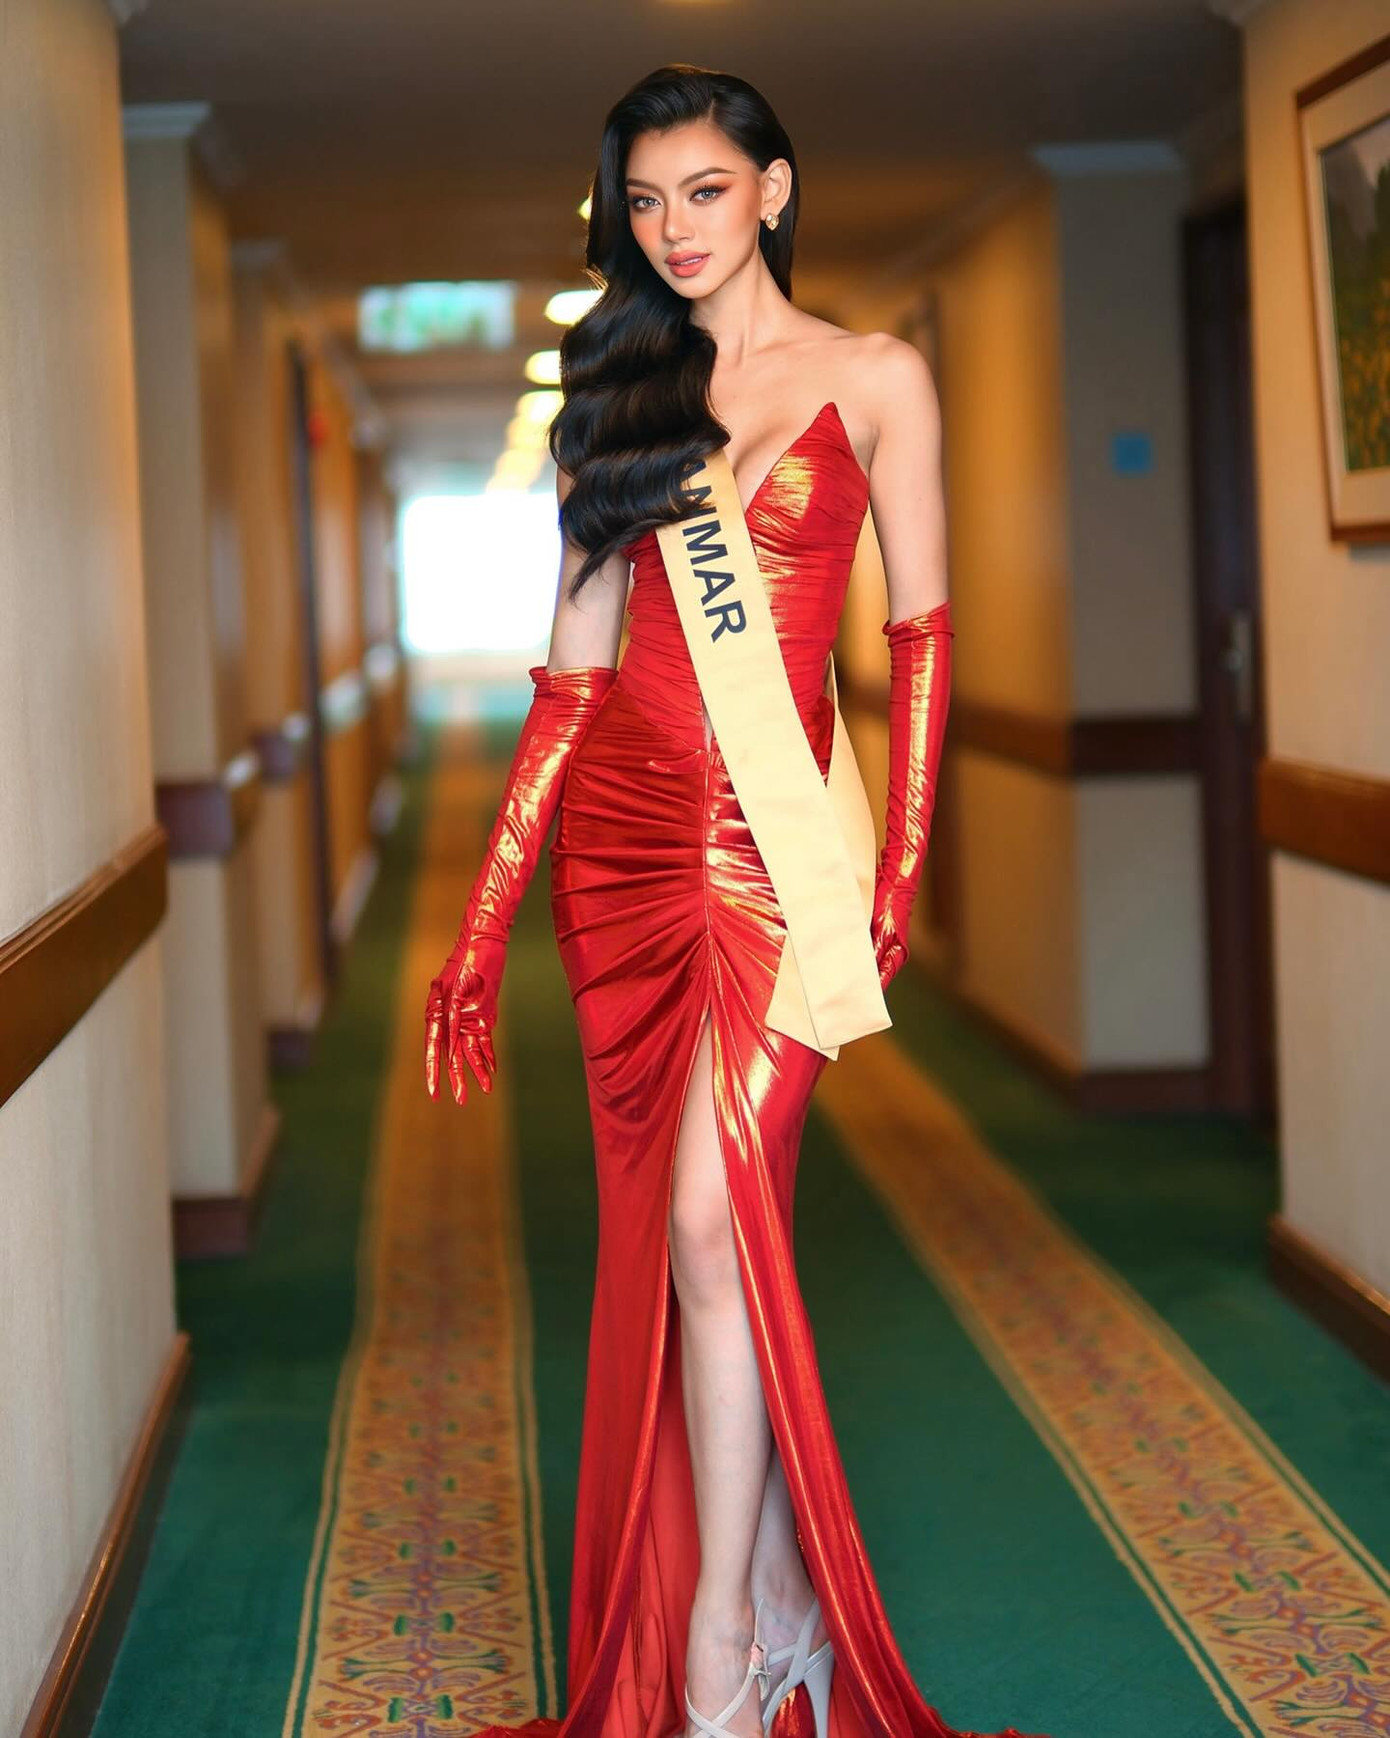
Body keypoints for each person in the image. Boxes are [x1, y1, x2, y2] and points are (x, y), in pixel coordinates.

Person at [424, 63, 1044, 1738]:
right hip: (618, 863)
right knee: (683, 1246)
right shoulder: (618, 389)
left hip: (782, 859)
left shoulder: (876, 376)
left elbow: (921, 638)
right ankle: (778, 1607)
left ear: (772, 188)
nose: (672, 228)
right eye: (643, 201)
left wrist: (898, 866)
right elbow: (570, 674)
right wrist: (484, 913)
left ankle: (715, 1649)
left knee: (718, 1224)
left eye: (703, 190)